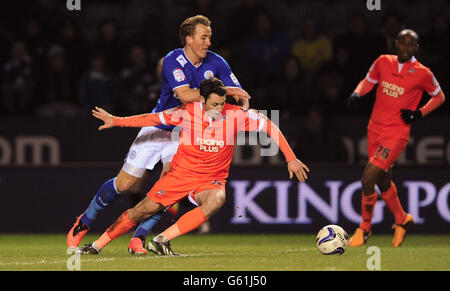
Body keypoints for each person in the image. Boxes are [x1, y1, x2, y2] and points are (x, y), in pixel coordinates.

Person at [67, 15, 250, 255]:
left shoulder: (218, 63)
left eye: (209, 37)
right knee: (125, 184)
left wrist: (236, 103)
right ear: (189, 39)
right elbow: (184, 96)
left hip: (186, 134)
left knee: (169, 189)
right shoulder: (173, 59)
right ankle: (85, 221)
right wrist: (220, 94)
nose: (208, 42)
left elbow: (243, 95)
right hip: (159, 126)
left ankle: (138, 239)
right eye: (203, 37)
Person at [78, 77, 310, 256]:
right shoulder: (186, 113)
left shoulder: (236, 115)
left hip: (210, 179)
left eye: (222, 103)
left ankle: (162, 240)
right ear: (202, 100)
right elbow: (151, 118)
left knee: (217, 199)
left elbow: (270, 125)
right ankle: (98, 245)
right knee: (141, 211)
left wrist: (290, 157)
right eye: (214, 104)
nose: (219, 109)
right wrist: (116, 120)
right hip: (180, 175)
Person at [346, 29, 445, 247]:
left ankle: (364, 228)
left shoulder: (423, 73)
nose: (407, 48)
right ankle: (402, 220)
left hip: (397, 133)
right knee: (383, 179)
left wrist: (419, 113)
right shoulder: (383, 61)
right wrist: (356, 93)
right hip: (375, 128)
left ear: (416, 48)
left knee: (368, 177)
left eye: (412, 45)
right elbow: (368, 81)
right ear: (397, 43)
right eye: (403, 43)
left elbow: (439, 96)